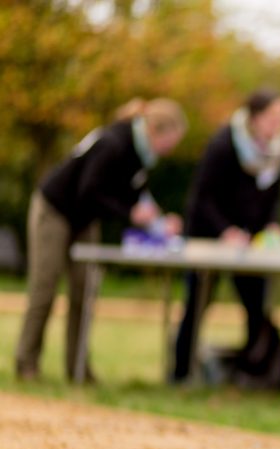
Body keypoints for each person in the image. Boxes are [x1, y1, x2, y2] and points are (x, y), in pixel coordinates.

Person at [15, 98, 187, 382]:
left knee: (85, 291)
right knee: (44, 288)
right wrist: (130, 214)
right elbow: (89, 191)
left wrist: (159, 222)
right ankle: (27, 363)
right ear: (156, 130)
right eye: (171, 140)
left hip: (84, 218)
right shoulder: (114, 143)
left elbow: (137, 197)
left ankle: (78, 369)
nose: (172, 148)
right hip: (55, 209)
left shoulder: (141, 155)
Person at [172, 89, 280, 383]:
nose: (279, 123)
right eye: (273, 117)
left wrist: (271, 225)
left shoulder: (278, 150)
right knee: (197, 303)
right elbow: (203, 197)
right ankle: (182, 372)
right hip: (210, 236)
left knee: (255, 303)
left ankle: (253, 373)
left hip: (248, 243)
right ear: (255, 118)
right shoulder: (224, 143)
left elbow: (272, 198)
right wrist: (225, 230)